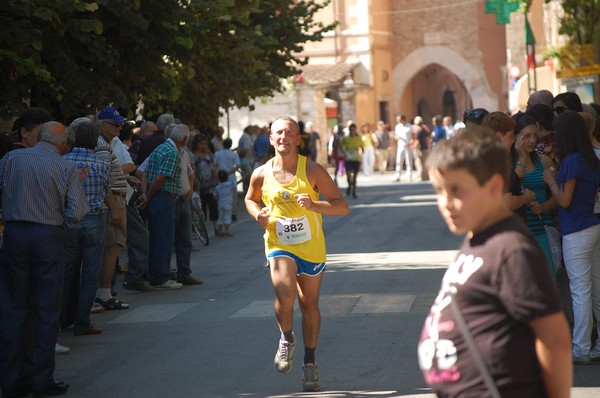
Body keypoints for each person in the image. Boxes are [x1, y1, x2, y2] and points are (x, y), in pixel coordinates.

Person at [418, 127, 572, 397]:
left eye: (457, 190)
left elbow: (554, 339)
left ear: (494, 187)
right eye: (439, 191)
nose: (446, 203)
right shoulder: (478, 240)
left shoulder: (510, 249)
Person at [245, 116, 349, 392]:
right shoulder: (261, 173)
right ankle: (286, 338)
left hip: (311, 247)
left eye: (289, 133)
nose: (283, 137)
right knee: (284, 292)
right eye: (278, 133)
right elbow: (250, 198)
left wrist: (314, 204)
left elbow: (341, 206)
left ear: (297, 139)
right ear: (270, 139)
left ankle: (310, 364)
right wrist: (259, 216)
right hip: (279, 244)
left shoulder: (312, 170)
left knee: (309, 306)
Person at [0, 122, 89, 398]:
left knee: (14, 307)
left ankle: (13, 379)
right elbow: (76, 213)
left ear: (38, 136)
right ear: (63, 145)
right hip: (48, 236)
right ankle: (41, 379)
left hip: (14, 234)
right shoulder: (65, 167)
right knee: (46, 308)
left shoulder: (11, 159)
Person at [543, 110, 600, 364]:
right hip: (592, 225)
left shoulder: (572, 161)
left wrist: (551, 180)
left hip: (576, 230)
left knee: (580, 290)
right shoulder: (590, 158)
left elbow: (564, 200)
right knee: (596, 290)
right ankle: (593, 345)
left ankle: (580, 347)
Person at [62, 122, 110, 336]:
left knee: (66, 272)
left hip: (68, 220)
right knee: (91, 273)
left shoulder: (62, 162)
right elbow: (106, 190)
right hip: (93, 219)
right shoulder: (101, 165)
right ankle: (83, 321)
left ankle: (59, 320)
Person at [144, 123, 189, 290]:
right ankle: (162, 277)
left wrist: (146, 196)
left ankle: (155, 274)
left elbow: (147, 173)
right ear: (184, 139)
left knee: (156, 238)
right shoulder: (172, 153)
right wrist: (148, 197)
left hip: (157, 197)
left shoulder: (161, 148)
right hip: (163, 197)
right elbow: (160, 178)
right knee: (163, 238)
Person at [512, 114, 558, 274]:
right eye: (526, 136)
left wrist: (545, 206)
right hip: (517, 235)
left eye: (534, 135)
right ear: (515, 137)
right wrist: (522, 159)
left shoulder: (544, 161)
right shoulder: (508, 164)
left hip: (541, 230)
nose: (532, 140)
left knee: (548, 283)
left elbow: (558, 195)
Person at [481, 111, 535, 221]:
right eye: (510, 136)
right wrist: (527, 197)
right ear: (499, 136)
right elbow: (508, 202)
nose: (513, 140)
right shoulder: (498, 163)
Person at [215, 138, 241, 221]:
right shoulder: (233, 154)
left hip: (220, 176)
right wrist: (229, 172)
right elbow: (237, 165)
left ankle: (221, 212)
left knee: (221, 194)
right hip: (231, 177)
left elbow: (215, 164)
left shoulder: (217, 154)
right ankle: (233, 213)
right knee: (233, 196)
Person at [341, 123, 362, 198]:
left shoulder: (358, 137)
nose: (353, 131)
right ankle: (349, 185)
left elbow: (362, 146)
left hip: (356, 159)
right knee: (348, 174)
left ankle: (354, 192)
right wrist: (344, 153)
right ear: (349, 130)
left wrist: (361, 154)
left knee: (355, 176)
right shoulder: (345, 138)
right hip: (348, 158)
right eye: (351, 129)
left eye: (354, 129)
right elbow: (341, 146)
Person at [213, 169, 235, 236]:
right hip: (228, 204)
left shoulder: (217, 187)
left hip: (220, 204)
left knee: (220, 217)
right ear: (227, 177)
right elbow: (236, 185)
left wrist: (218, 199)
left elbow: (214, 196)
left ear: (219, 178)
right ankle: (226, 230)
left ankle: (220, 230)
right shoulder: (230, 184)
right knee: (227, 217)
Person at [393, 115, 413, 182]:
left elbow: (412, 135)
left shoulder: (409, 126)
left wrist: (411, 142)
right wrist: (397, 138)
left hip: (408, 145)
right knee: (399, 160)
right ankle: (398, 175)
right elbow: (396, 135)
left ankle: (409, 175)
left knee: (408, 161)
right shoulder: (398, 126)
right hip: (401, 145)